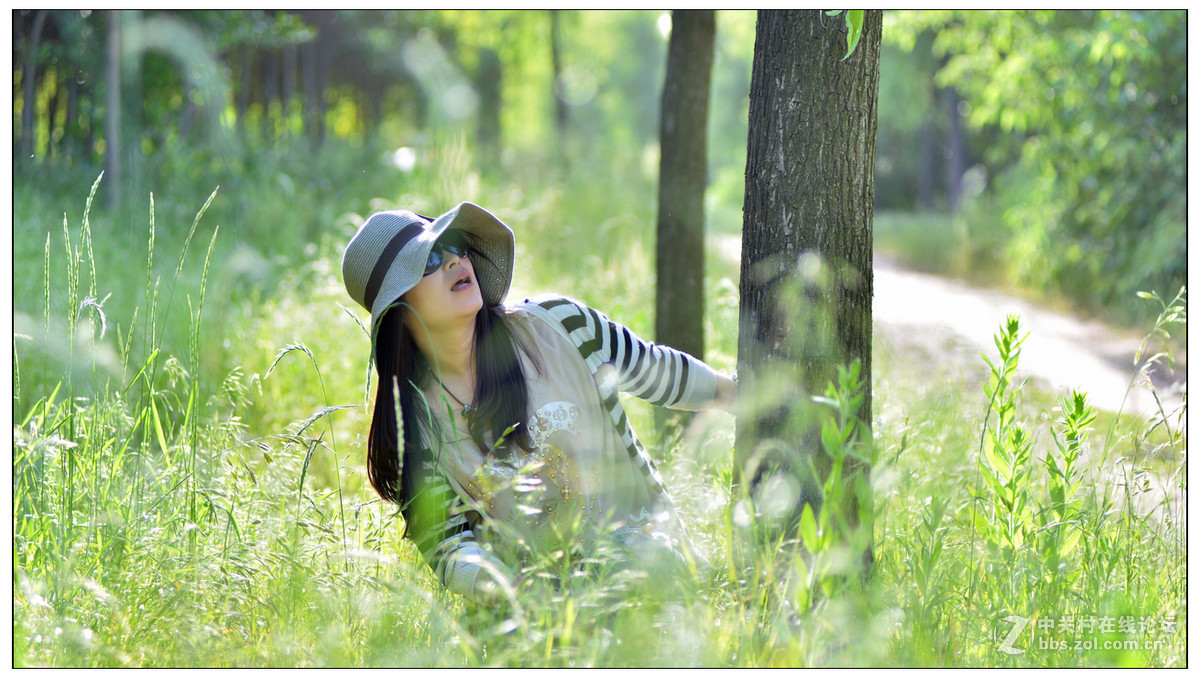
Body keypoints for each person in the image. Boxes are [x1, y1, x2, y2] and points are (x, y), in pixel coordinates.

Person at [341, 202, 736, 606]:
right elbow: (449, 549)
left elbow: (656, 370)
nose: (455, 259)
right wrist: (512, 594)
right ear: (399, 311)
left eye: (453, 244)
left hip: (660, 579)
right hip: (546, 629)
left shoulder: (558, 324)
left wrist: (748, 394)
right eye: (429, 259)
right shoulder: (416, 430)